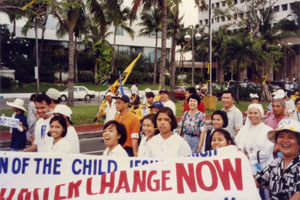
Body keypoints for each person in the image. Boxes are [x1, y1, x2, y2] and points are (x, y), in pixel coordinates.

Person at [255, 119, 300, 200]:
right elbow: (257, 181)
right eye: (281, 136)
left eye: (290, 137)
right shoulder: (276, 163)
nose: (285, 141)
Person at [235, 104, 274, 176]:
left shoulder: (268, 130)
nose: (252, 115)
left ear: (261, 114)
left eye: (255, 113)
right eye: (250, 113)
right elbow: (238, 146)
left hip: (263, 165)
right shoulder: (244, 129)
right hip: (247, 166)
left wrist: (249, 156)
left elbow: (266, 153)